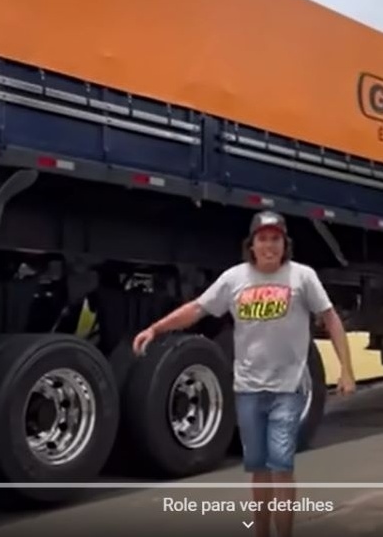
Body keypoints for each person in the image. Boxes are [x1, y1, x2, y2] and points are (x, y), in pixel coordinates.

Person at [133, 210, 356, 537]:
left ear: (285, 244)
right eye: (262, 239)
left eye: (276, 239)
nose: (269, 246)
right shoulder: (234, 279)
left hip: (287, 389)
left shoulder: (302, 277)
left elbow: (331, 318)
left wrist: (346, 370)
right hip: (249, 391)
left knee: (281, 469)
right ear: (251, 245)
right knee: (259, 471)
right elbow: (197, 308)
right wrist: (156, 328)